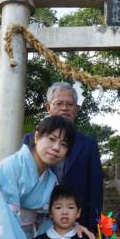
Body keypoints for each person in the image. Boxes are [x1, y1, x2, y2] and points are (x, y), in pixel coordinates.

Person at [24, 82, 103, 231]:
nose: (64, 108)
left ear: (77, 109)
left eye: (70, 104)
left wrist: (93, 225)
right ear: (48, 108)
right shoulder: (30, 139)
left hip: (77, 223)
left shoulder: (88, 143)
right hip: (36, 221)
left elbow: (95, 189)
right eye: (59, 103)